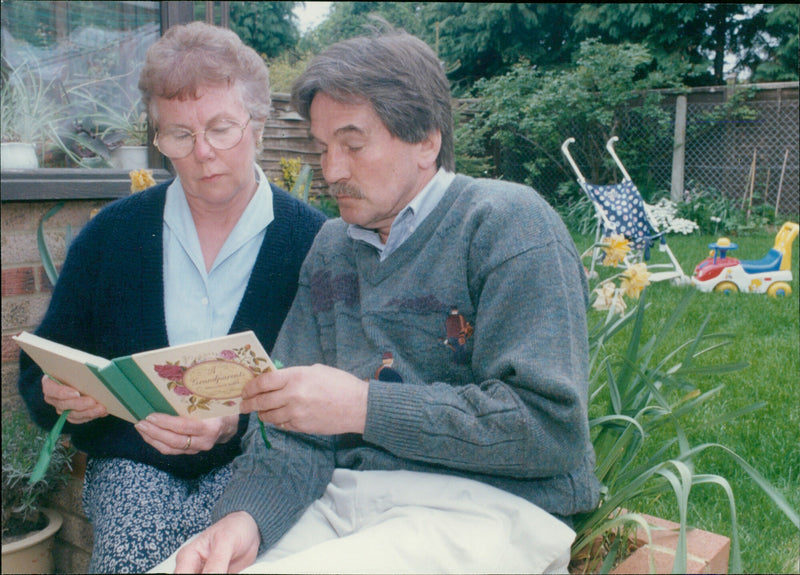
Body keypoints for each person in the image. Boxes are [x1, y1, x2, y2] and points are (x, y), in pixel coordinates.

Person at [167, 26, 600, 574]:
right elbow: (289, 425)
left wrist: (361, 406)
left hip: (487, 507)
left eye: (352, 145)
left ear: (426, 140)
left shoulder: (508, 223)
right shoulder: (331, 248)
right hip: (345, 502)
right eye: (323, 149)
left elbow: (548, 431)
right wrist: (244, 518)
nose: (331, 172)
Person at [17, 21, 326, 574]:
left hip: (258, 469)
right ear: (157, 139)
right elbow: (40, 366)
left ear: (256, 122)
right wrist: (62, 393)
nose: (203, 152)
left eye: (221, 128)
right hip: (134, 466)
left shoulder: (313, 242)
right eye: (178, 134)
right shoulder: (111, 235)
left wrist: (240, 420)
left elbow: (334, 387)